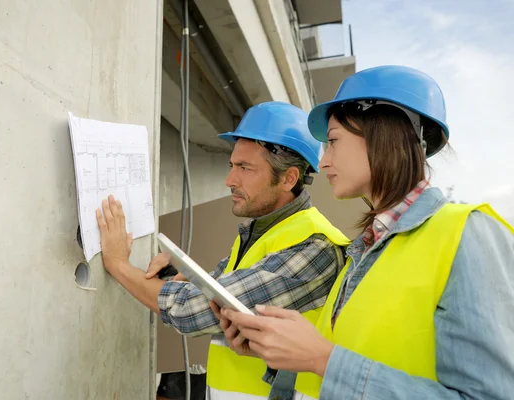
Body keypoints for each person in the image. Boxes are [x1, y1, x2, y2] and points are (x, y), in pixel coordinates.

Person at [215, 65, 514, 400]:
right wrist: (281, 354)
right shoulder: (364, 251)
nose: (324, 162)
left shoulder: (468, 234)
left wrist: (322, 359)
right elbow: (354, 363)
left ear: (381, 135)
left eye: (332, 142)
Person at [95, 101, 351, 399]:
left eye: (245, 168)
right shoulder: (259, 233)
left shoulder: (315, 248)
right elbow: (214, 294)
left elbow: (192, 310)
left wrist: (118, 264)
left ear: (288, 178)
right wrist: (179, 276)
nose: (230, 180)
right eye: (232, 166)